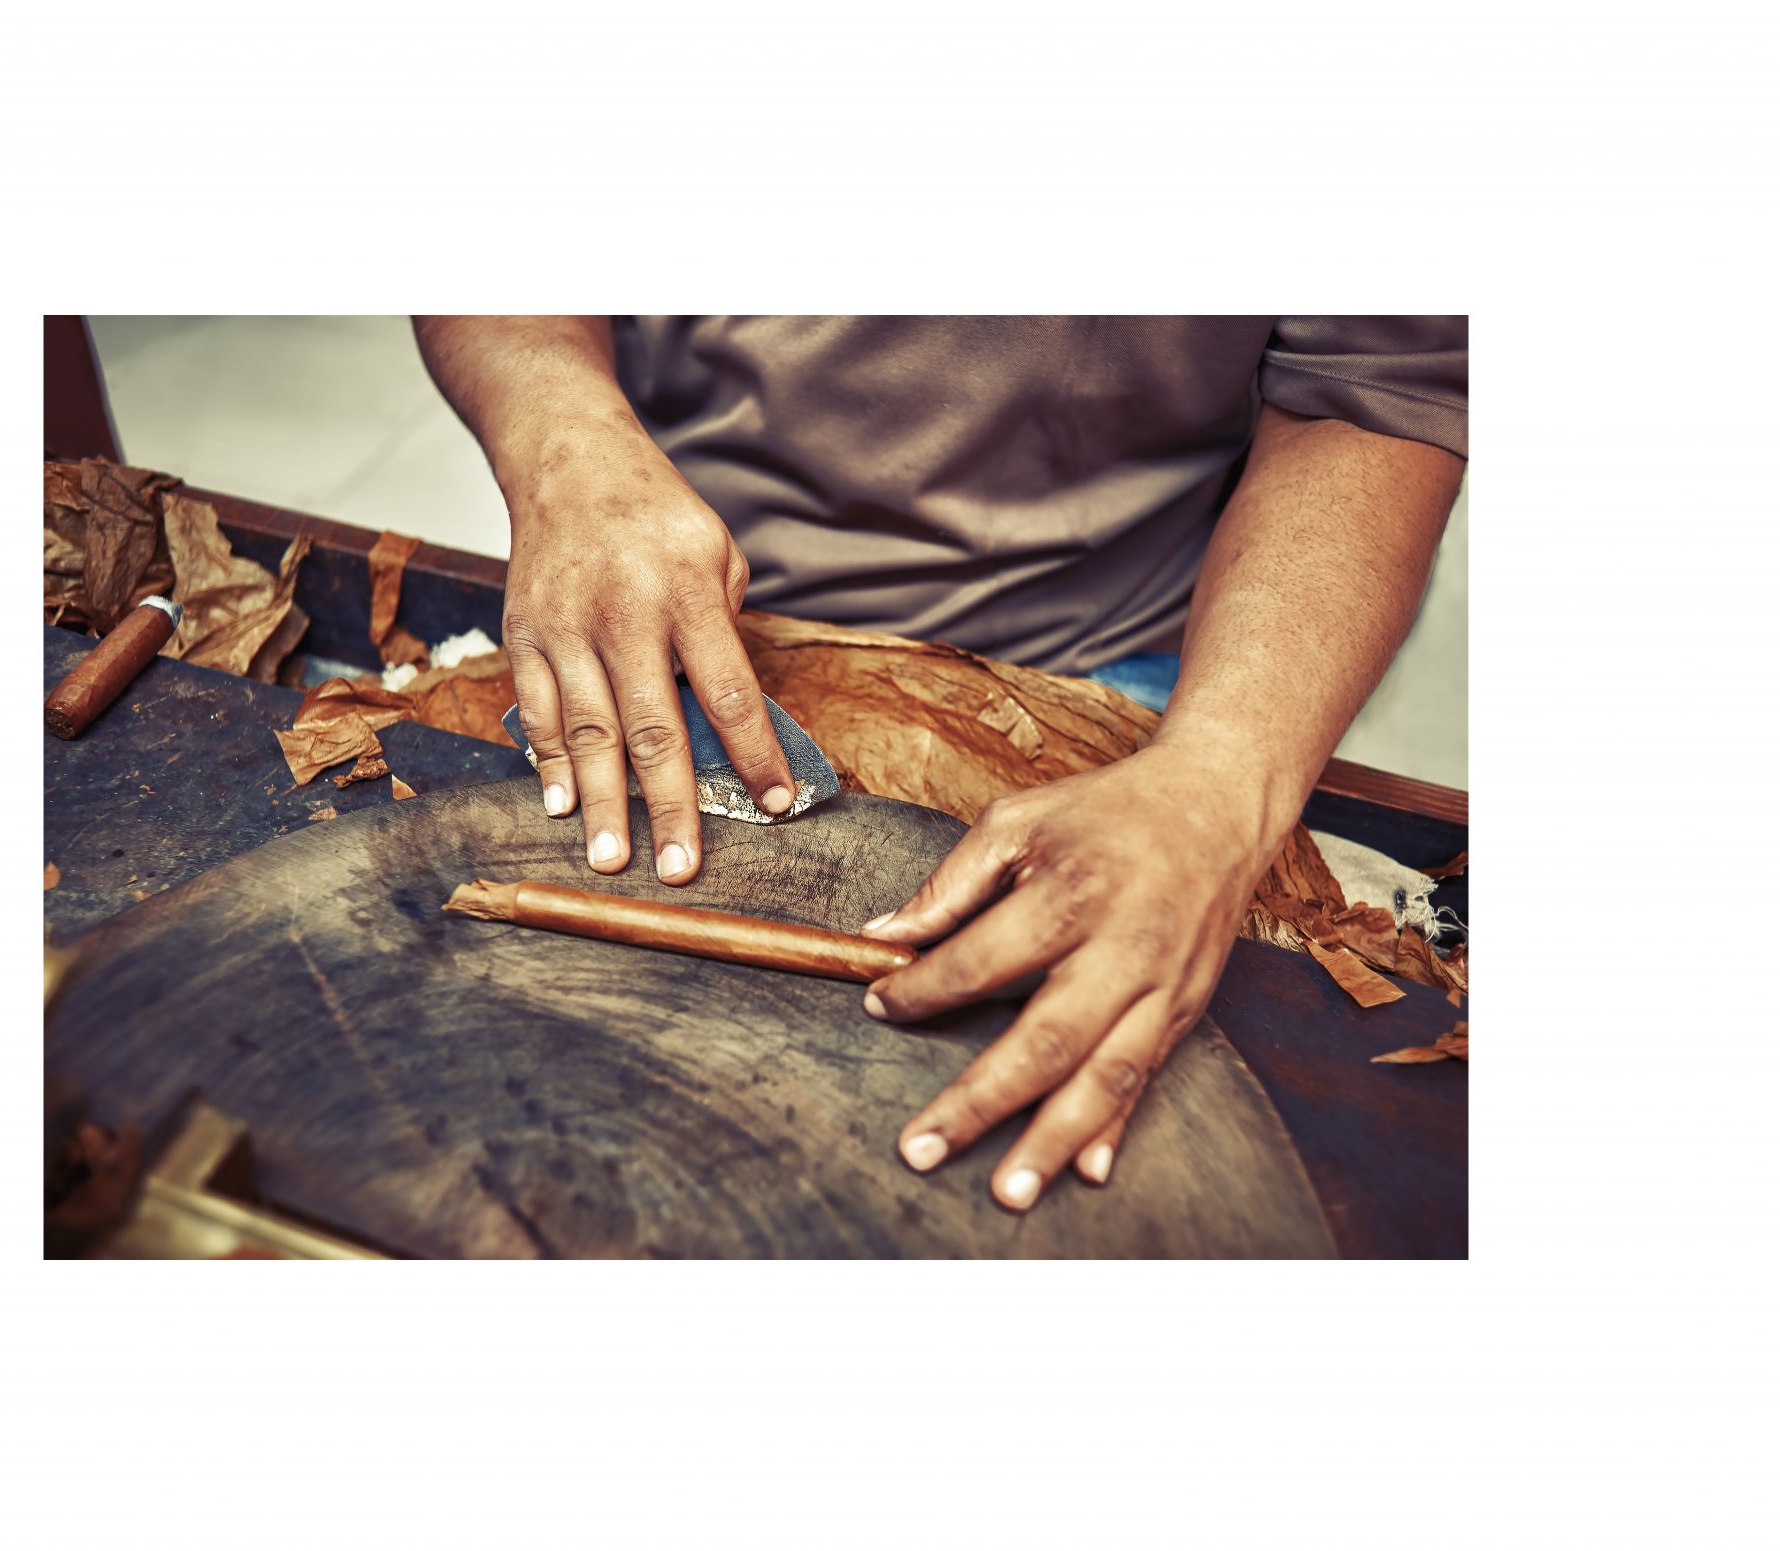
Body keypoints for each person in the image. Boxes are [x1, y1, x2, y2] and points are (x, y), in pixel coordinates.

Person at [413, 315, 1467, 1212]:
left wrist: (1221, 775)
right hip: (668, 576)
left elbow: (1369, 391)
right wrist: (564, 442)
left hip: (1111, 638)